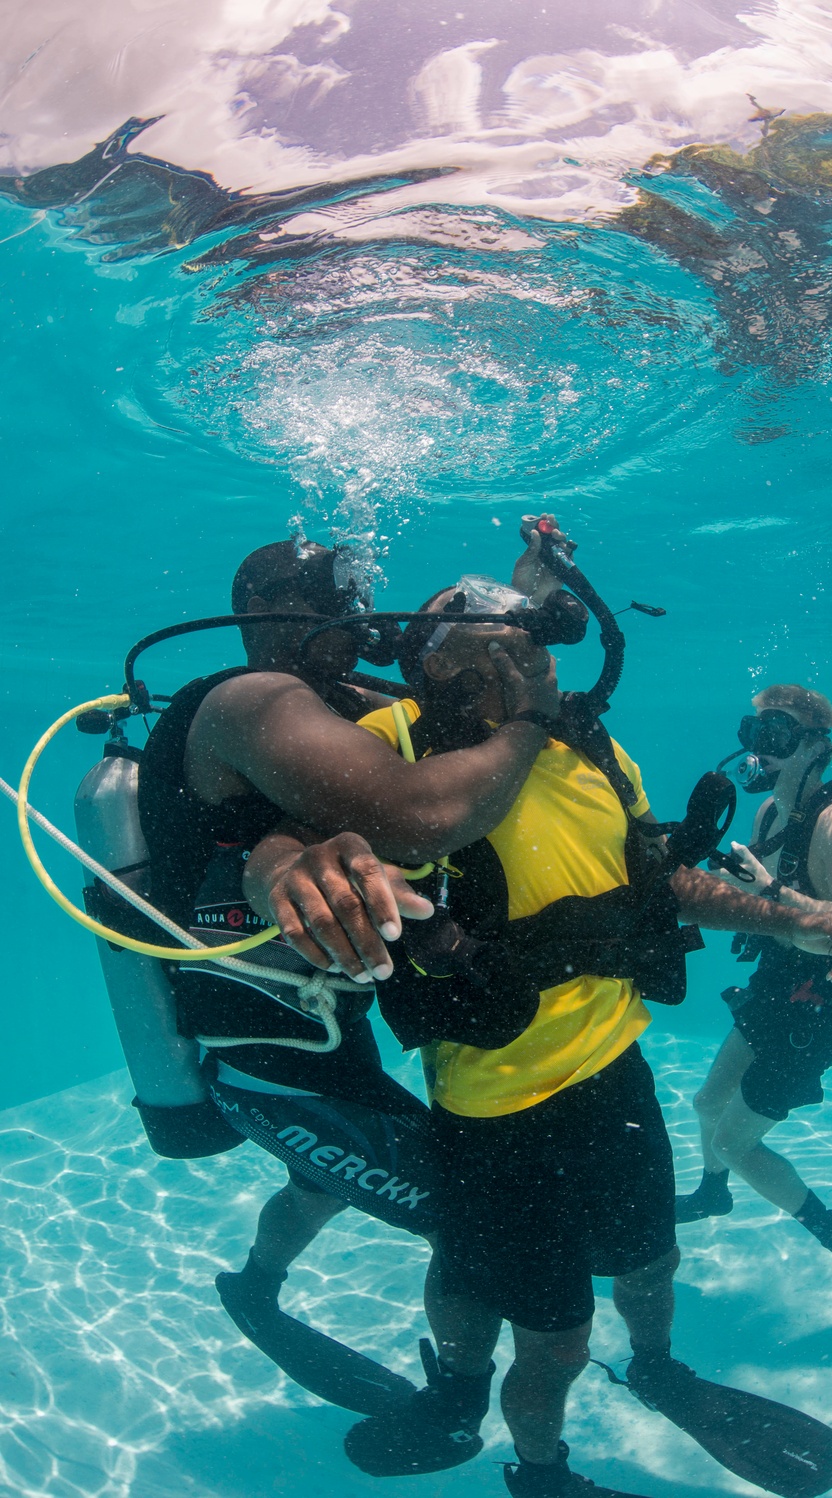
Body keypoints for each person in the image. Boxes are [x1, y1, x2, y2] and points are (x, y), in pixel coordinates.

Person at [253, 597, 832, 1497]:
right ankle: (535, 1465)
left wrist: (792, 920)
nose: (519, 655)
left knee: (654, 1263)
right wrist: (278, 869)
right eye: (489, 635)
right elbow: (288, 824)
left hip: (616, 1073)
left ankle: (658, 1368)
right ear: (433, 649)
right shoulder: (392, 738)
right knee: (551, 1337)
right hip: (494, 1111)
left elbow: (657, 877)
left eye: (528, 638)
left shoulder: (590, 747)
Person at [135, 532, 565, 1379]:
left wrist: (519, 611)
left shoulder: (327, 699)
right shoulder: (252, 699)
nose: (364, 623)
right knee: (466, 1212)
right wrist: (531, 723)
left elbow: (443, 699)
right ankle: (457, 1394)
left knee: (321, 1180)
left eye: (364, 598)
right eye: (342, 602)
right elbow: (418, 815)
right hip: (268, 1056)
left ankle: (255, 1285)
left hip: (326, 1018)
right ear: (270, 615)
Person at [675, 684, 832, 1297]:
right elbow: (754, 896)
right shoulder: (767, 815)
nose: (760, 750)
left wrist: (775, 895)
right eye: (752, 733)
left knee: (735, 1141)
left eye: (777, 736)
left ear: (816, 748)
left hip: (830, 1000)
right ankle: (712, 1194)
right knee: (709, 1104)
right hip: (781, 976)